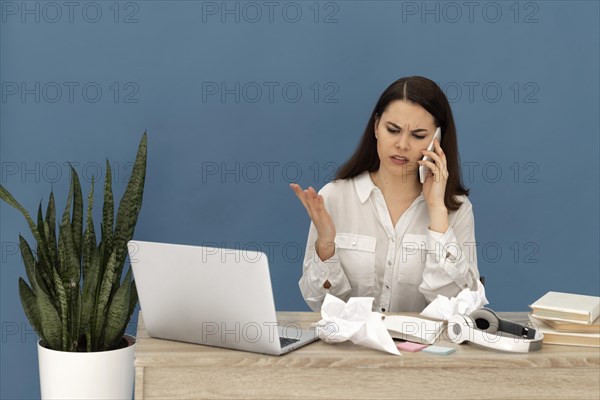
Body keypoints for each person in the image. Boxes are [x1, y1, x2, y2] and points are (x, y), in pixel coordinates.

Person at [290, 76, 480, 313]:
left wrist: (438, 214)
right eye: (393, 130)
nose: (402, 144)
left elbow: (458, 308)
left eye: (418, 135)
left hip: (425, 349)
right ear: (376, 127)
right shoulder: (333, 197)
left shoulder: (457, 209)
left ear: (437, 141)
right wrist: (326, 244)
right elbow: (319, 303)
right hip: (350, 349)